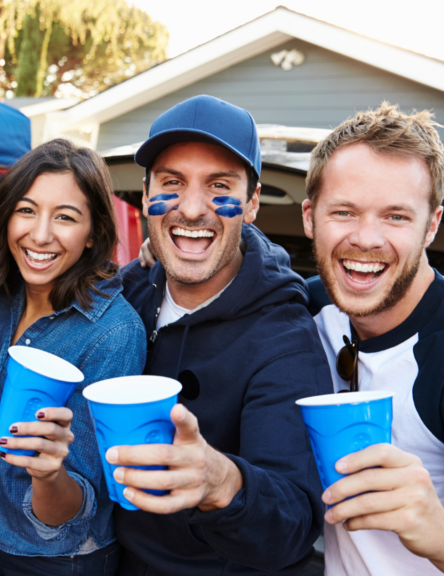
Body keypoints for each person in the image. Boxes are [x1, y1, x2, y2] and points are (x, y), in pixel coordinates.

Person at [112, 95, 330, 575]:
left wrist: (224, 483)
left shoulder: (283, 336)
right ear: (146, 195)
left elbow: (294, 522)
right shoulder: (127, 293)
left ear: (251, 203)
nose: (191, 208)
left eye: (219, 186)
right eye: (172, 183)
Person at [302, 103, 444, 576]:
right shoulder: (304, 306)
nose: (366, 238)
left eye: (395, 217)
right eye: (345, 211)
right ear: (310, 217)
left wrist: (439, 531)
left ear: (431, 226)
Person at [0, 139, 146, 574]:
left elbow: (80, 506)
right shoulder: (4, 291)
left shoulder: (114, 334)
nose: (40, 234)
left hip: (56, 560)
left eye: (65, 217)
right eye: (26, 210)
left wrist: (48, 474)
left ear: (94, 233)